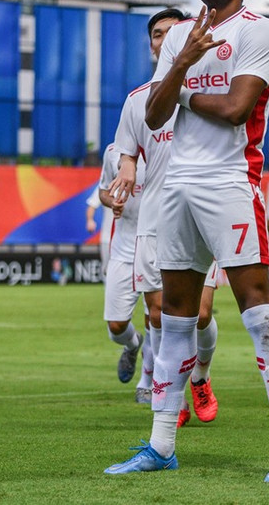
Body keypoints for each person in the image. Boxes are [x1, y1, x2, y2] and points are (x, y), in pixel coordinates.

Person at [105, 0, 269, 482]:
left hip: (229, 181)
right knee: (174, 320)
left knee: (259, 312)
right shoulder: (179, 33)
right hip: (172, 185)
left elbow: (237, 107)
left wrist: (182, 83)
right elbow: (152, 114)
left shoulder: (256, 30)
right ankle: (161, 444)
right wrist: (181, 64)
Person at [108, 8, 221, 416]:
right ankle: (169, 395)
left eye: (173, 32)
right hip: (154, 219)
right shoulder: (139, 101)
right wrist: (126, 166)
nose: (164, 39)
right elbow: (126, 152)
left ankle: (201, 377)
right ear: (153, 43)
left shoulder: (209, 91)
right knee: (160, 313)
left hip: (202, 214)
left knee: (202, 313)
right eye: (158, 33)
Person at [97, 142, 147, 387]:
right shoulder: (112, 152)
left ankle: (148, 384)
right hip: (124, 249)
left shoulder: (166, 145)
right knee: (116, 327)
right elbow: (103, 191)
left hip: (159, 247)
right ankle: (133, 343)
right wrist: (111, 202)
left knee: (157, 317)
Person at [85, 184, 114, 278]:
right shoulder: (105, 185)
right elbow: (92, 205)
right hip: (108, 237)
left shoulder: (135, 183)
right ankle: (109, 292)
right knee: (107, 270)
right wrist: (90, 220)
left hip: (131, 237)